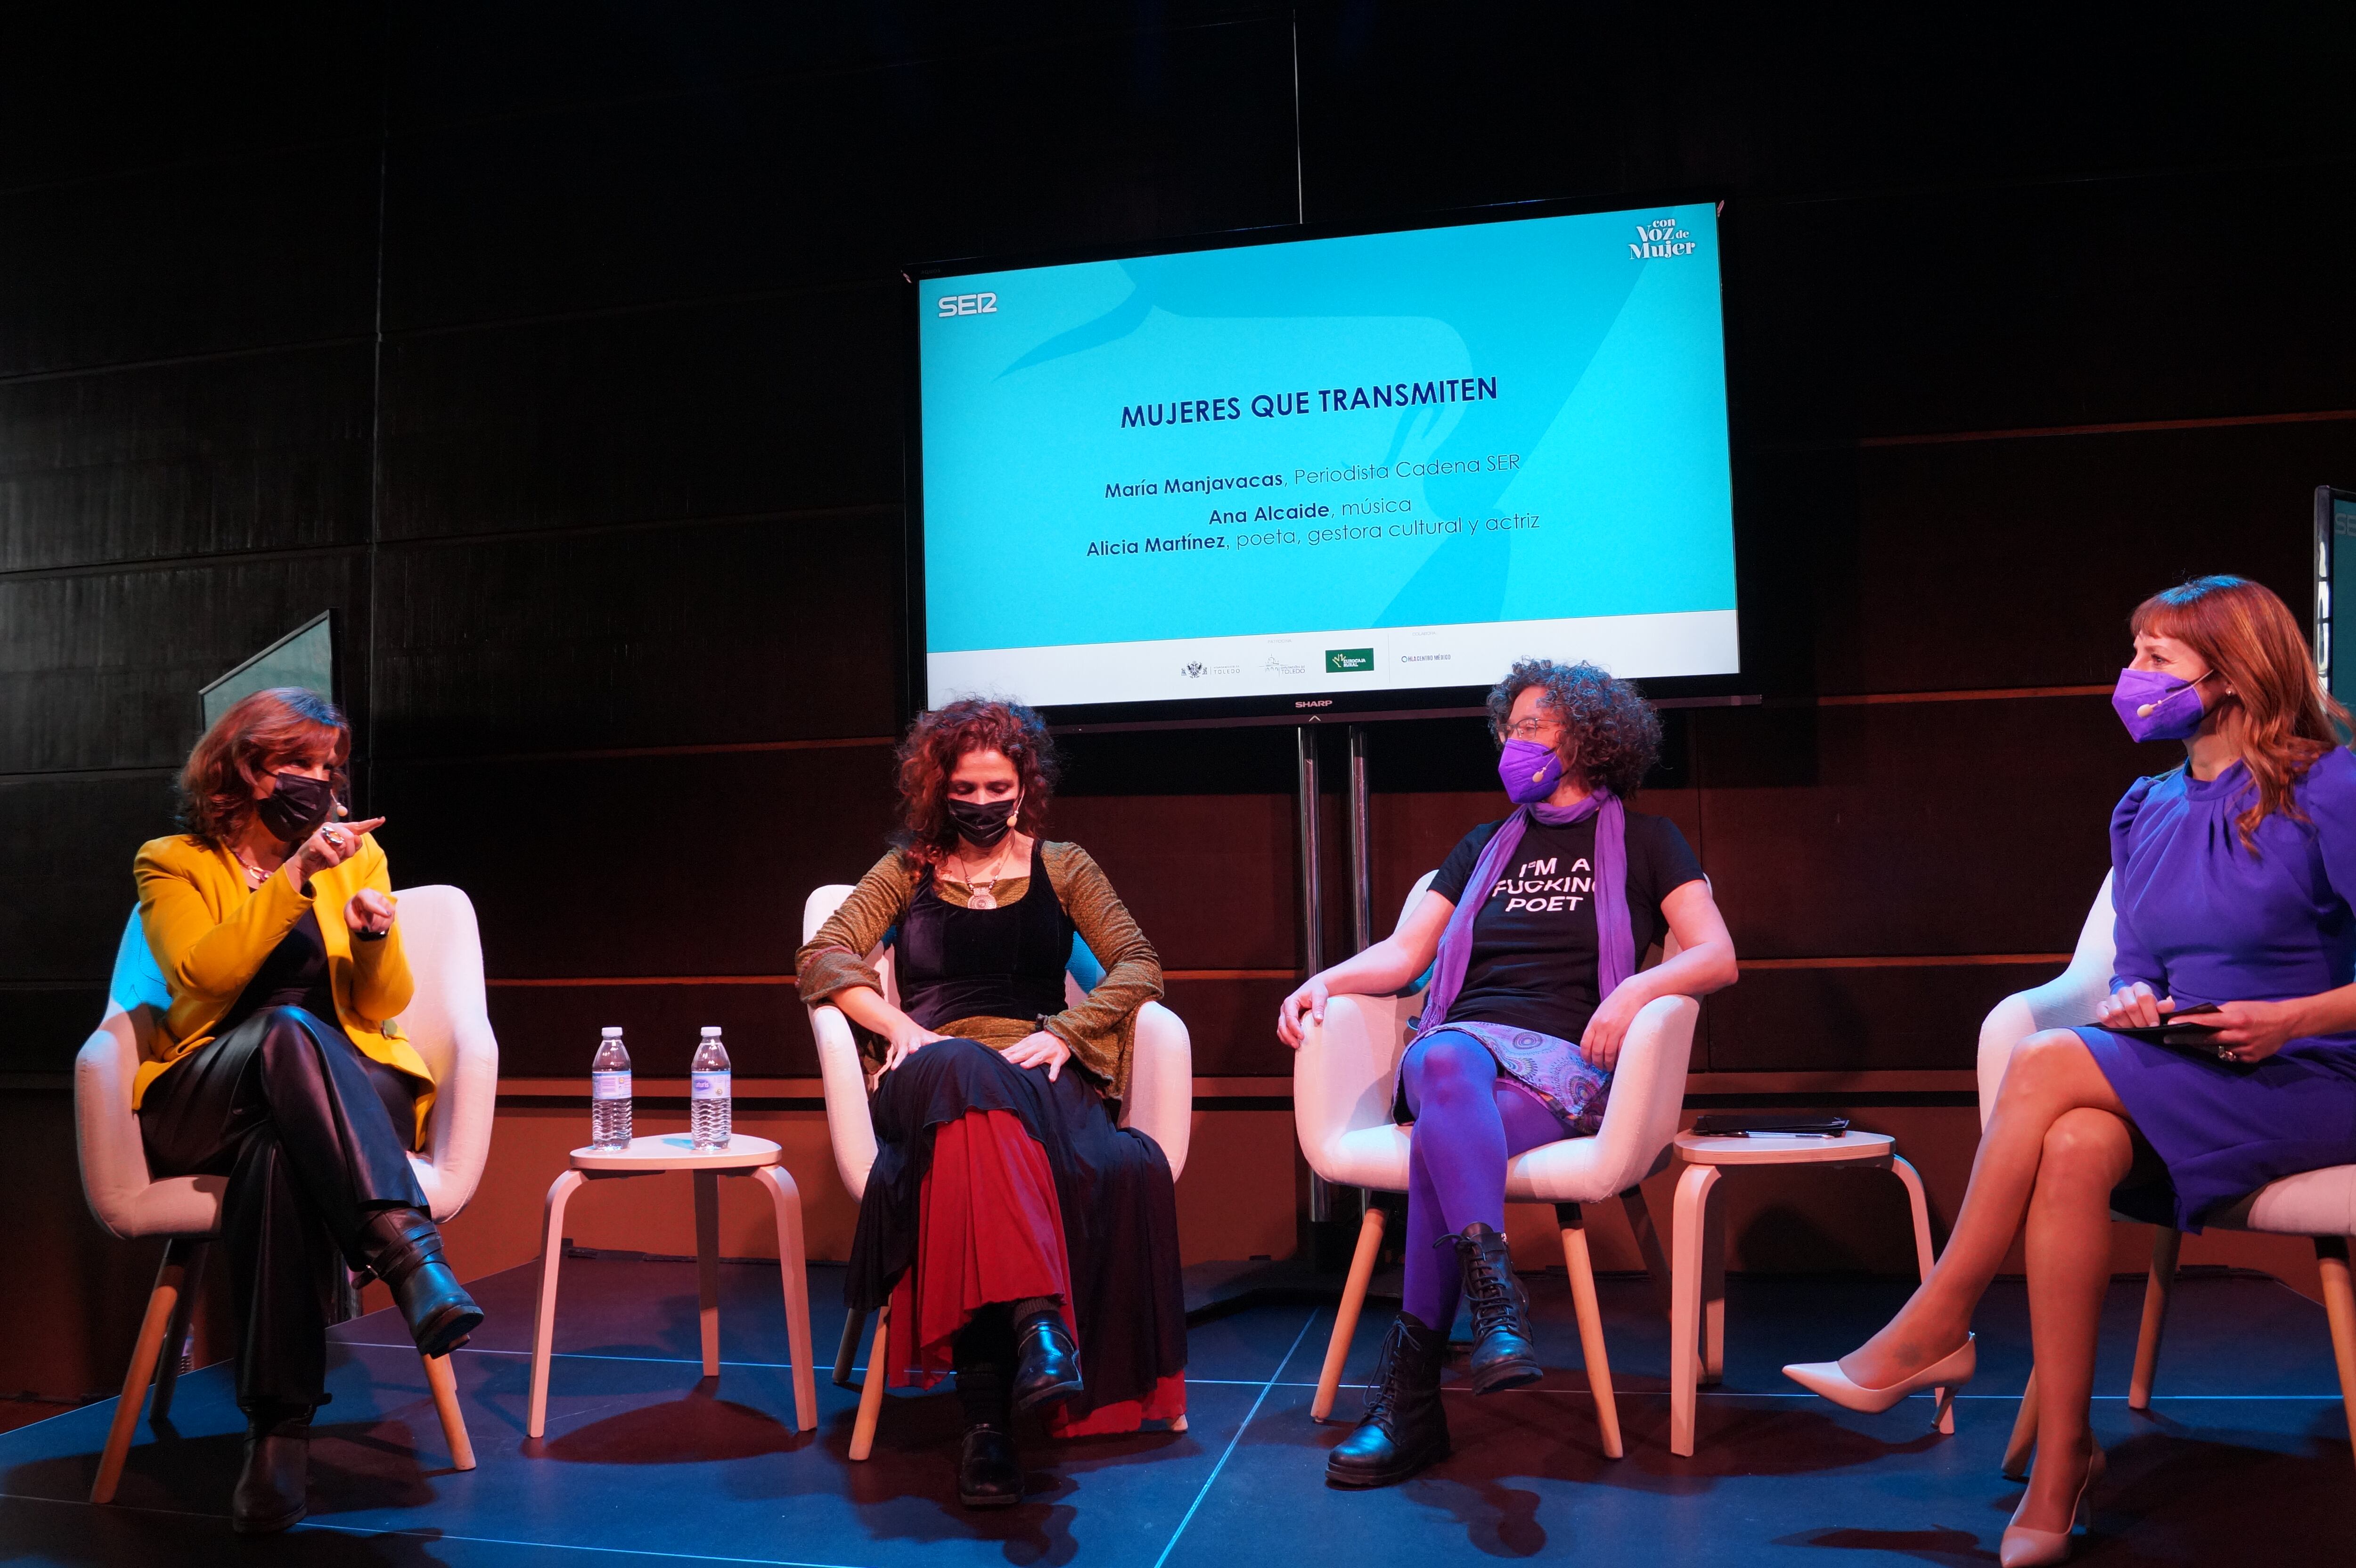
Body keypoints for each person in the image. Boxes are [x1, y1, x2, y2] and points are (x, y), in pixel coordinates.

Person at [1784, 575, 2356, 1566]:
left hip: (2313, 1074)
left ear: (2231, 676)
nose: (2131, 676)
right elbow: (2138, 968)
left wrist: (2292, 1018)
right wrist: (2133, 1001)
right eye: (2133, 653)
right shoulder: (2144, 808)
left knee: (2050, 1059)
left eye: (2156, 659)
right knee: (2078, 1141)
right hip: (2197, 1068)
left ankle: (1938, 1320)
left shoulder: (2332, 788)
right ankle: (2061, 1463)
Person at [1278, 659, 1739, 1488]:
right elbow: (1407, 957)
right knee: (1445, 1055)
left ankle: (1411, 1403)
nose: (1513, 744)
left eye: (1532, 728)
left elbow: (1715, 956)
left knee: (1440, 1143)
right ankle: (1495, 1303)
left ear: (1589, 739)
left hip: (1566, 1067)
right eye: (1509, 728)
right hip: (1460, 1051)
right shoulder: (1481, 847)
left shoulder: (1650, 842)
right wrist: (1323, 981)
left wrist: (1635, 990)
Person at [796, 698, 1186, 1509]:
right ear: (939, 789)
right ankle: (1040, 1323)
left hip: (1036, 1064)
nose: (981, 803)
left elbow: (1139, 965)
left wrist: (1069, 1032)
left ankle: (987, 1426)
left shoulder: (1065, 866)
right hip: (931, 1070)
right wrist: (900, 1027)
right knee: (963, 1069)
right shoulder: (906, 870)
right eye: (965, 790)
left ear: (1024, 786)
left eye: (997, 788)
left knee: (978, 1147)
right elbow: (824, 956)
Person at [132, 688, 480, 1534]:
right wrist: (293, 878)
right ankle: (406, 1256)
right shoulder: (173, 861)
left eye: (329, 767)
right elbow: (201, 977)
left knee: (281, 1156)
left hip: (343, 1092)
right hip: (212, 1087)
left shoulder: (358, 856)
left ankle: (277, 1438)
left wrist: (372, 935)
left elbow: (385, 1003)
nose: (319, 782)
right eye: (300, 763)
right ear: (246, 768)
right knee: (285, 1030)